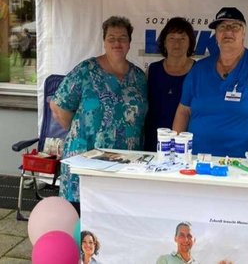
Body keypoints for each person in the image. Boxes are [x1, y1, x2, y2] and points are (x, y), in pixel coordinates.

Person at [50, 16, 148, 206]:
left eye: (122, 38)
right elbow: (57, 105)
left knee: (118, 214)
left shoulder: (139, 77)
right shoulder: (86, 70)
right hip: (86, 158)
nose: (117, 43)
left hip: (126, 162)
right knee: (81, 218)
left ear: (129, 43)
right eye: (111, 38)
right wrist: (81, 130)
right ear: (104, 42)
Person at [173, 7, 248, 157]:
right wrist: (175, 153)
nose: (228, 32)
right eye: (222, 27)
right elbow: (183, 112)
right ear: (216, 35)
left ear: (244, 33)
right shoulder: (199, 69)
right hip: (197, 162)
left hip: (243, 166)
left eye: (234, 27)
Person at [144, 17, 196, 151]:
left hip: (187, 143)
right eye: (172, 38)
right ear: (164, 42)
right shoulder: (152, 70)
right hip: (154, 140)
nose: (177, 43)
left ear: (190, 42)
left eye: (182, 38)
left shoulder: (198, 70)